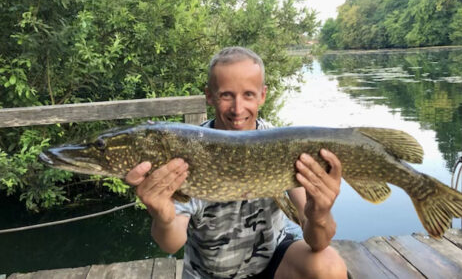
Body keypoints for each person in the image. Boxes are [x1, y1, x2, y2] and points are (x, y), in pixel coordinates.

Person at [125, 47, 347, 279]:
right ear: (209, 95)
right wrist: (162, 215)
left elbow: (318, 240)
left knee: (329, 266)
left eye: (248, 94)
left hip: (272, 263)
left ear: (263, 95)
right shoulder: (184, 151)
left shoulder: (283, 144)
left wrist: (320, 214)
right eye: (226, 95)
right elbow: (171, 243)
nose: (238, 109)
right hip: (210, 275)